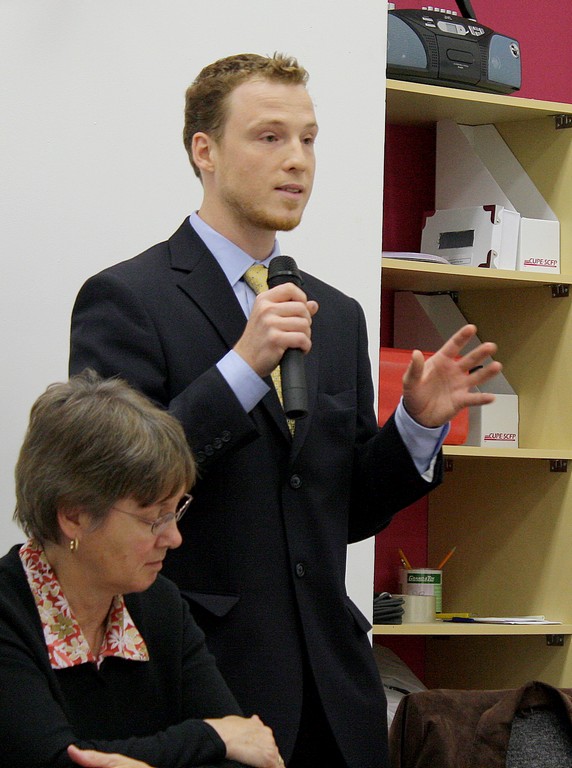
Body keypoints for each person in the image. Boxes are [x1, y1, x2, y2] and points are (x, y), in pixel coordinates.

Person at [69, 53, 502, 767]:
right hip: (201, 684)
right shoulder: (126, 299)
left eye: (308, 139)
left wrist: (416, 427)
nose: (297, 159)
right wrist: (242, 368)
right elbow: (112, 489)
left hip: (336, 693)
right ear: (204, 151)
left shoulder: (337, 314)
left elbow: (344, 509)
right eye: (269, 137)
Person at [0, 370, 283, 768]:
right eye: (153, 517)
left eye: (176, 510)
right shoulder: (8, 611)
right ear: (74, 516)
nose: (174, 537)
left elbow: (250, 756)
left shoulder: (160, 605)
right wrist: (209, 737)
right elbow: (54, 761)